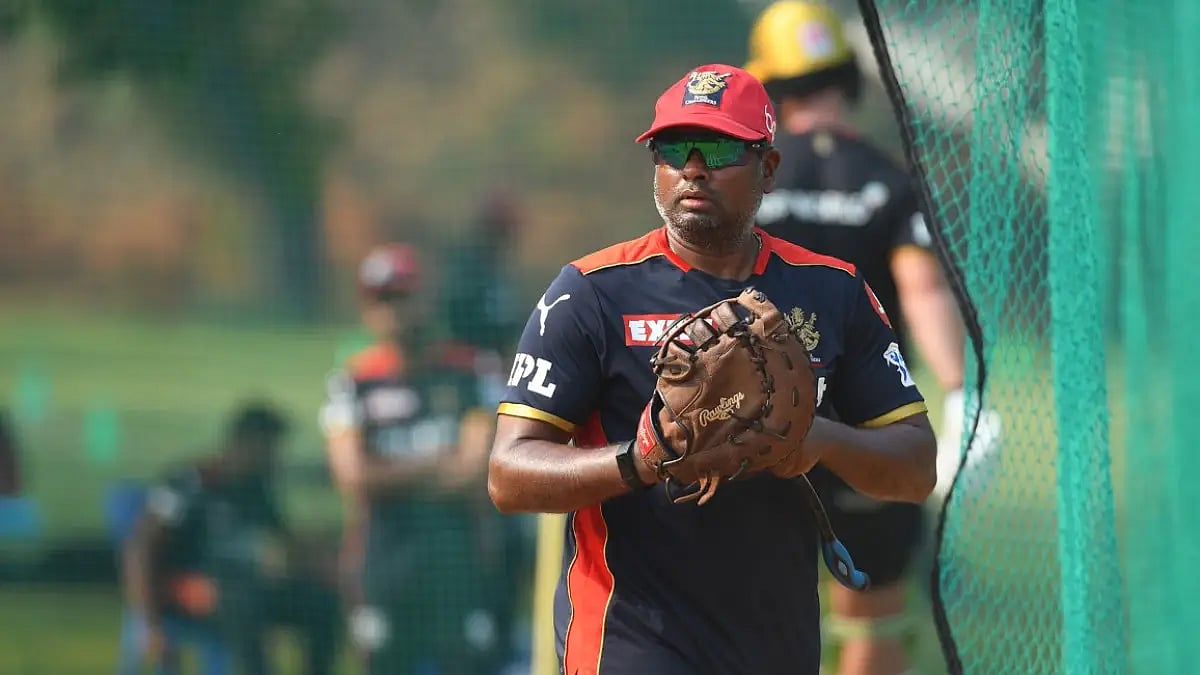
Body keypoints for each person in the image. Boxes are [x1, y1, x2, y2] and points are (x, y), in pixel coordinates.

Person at [487, 64, 936, 675]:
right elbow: (509, 475)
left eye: (720, 147)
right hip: (629, 636)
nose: (692, 167)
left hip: (775, 645)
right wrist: (641, 459)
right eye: (673, 148)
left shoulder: (832, 291)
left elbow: (914, 468)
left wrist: (816, 439)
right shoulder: (590, 293)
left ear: (769, 168)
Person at [743, 4, 1001, 673]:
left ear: (770, 85)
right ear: (848, 79)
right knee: (875, 608)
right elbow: (923, 292)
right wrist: (959, 392)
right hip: (868, 425)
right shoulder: (888, 178)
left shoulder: (748, 179)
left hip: (758, 418)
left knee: (755, 601)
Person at [321, 243, 501, 675]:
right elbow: (353, 477)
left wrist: (392, 474)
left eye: (403, 295)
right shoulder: (353, 383)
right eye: (382, 299)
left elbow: (475, 470)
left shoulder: (472, 373)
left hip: (461, 557)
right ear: (368, 309)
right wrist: (434, 463)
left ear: (425, 298)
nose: (395, 310)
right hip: (383, 561)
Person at [120, 402, 341, 675]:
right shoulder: (192, 481)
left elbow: (278, 544)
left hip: (250, 587)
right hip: (193, 588)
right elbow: (143, 547)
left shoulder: (256, 488)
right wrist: (150, 620)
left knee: (322, 604)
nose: (275, 457)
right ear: (244, 443)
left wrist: (320, 558)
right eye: (269, 448)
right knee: (244, 604)